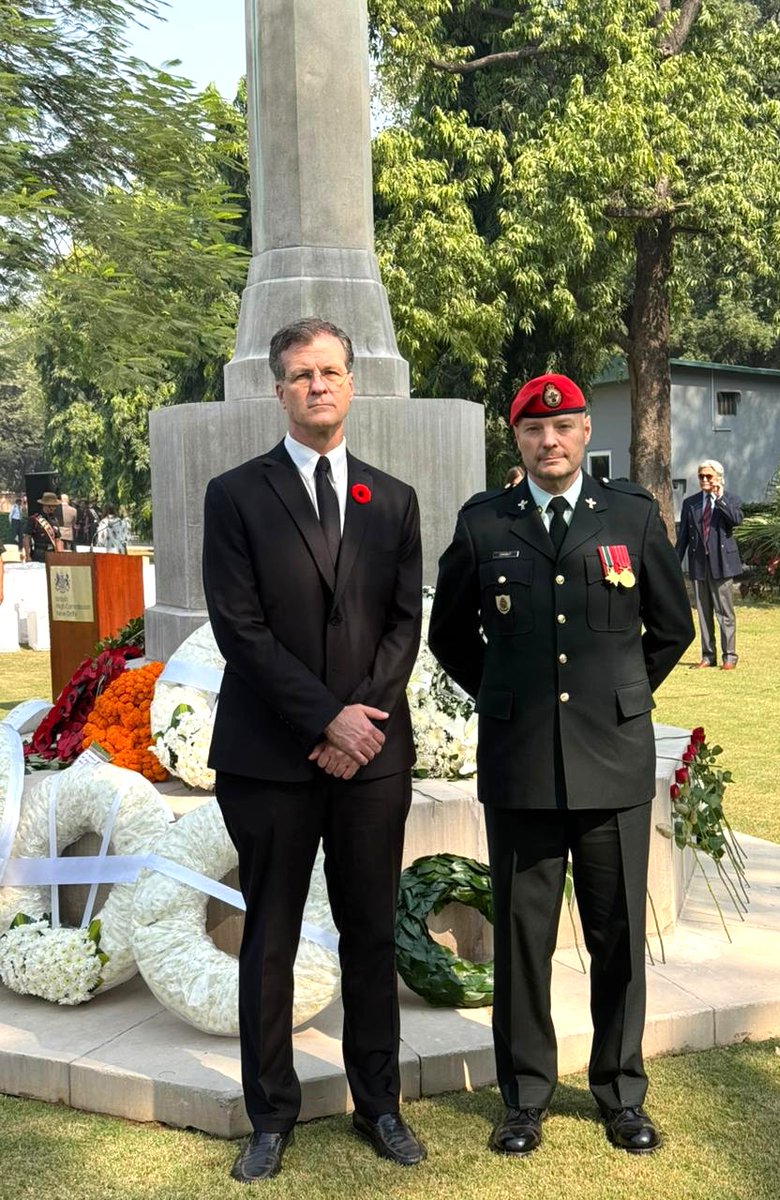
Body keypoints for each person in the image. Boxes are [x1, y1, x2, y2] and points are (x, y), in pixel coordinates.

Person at [428, 373, 693, 1158]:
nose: (551, 441)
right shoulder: (485, 523)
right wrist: (503, 694)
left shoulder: (632, 517)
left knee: (616, 934)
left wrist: (620, 696)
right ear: (517, 440)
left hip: (612, 761)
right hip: (521, 764)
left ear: (583, 435)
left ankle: (620, 1092)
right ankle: (525, 1098)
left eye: (566, 427)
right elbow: (449, 635)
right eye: (535, 432)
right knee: (522, 934)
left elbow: (671, 629)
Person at [202, 318, 425, 1183]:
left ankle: (379, 1106)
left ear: (352, 383)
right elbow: (241, 630)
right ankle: (271, 1115)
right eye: (301, 375)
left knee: (370, 933)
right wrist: (324, 721)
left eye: (330, 371)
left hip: (372, 762)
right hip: (270, 760)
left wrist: (360, 721)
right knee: (272, 938)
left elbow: (406, 622)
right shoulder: (236, 494)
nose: (317, 386)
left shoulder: (392, 498)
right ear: (278, 389)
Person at [675, 460, 743, 670]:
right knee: (703, 613)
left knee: (725, 613)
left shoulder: (730, 499)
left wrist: (719, 498)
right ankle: (708, 656)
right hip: (699, 565)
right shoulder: (691, 503)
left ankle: (729, 657)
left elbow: (736, 520)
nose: (705, 480)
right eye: (701, 476)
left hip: (722, 565)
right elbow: (684, 537)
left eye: (709, 476)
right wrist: (674, 564)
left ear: (719, 478)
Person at [22, 491, 63, 562]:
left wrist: (60, 556)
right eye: (53, 505)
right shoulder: (34, 519)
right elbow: (26, 537)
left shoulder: (54, 520)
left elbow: (58, 539)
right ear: (46, 505)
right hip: (39, 553)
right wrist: (27, 556)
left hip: (52, 553)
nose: (55, 508)